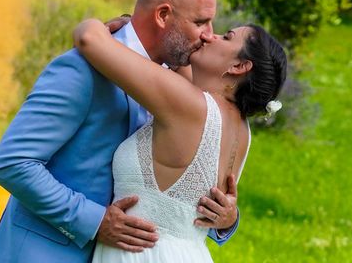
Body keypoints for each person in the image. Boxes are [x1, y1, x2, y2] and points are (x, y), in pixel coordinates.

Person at [0, 0, 240, 262]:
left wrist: (226, 219)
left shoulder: (180, 89)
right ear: (162, 15)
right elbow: (13, 162)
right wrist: (94, 221)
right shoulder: (82, 69)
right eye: (201, 22)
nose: (209, 35)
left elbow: (170, 192)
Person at [73, 16, 287, 262]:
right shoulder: (241, 129)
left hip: (144, 254)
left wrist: (103, 27)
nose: (210, 36)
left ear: (239, 67)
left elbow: (88, 38)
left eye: (226, 37)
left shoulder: (190, 106)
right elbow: (181, 64)